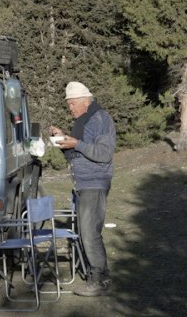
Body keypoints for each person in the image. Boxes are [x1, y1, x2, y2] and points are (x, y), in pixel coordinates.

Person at [49, 81, 115, 297]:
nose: (71, 109)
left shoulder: (100, 119)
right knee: (87, 231)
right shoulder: (85, 121)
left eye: (72, 104)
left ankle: (100, 280)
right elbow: (79, 151)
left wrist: (75, 143)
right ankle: (95, 274)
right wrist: (64, 140)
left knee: (89, 233)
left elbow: (104, 153)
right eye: (69, 105)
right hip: (83, 184)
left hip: (94, 183)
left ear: (85, 101)